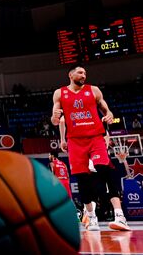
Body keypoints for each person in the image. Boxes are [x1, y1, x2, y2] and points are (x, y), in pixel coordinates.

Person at [51, 65, 130, 232]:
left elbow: (104, 108)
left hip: (95, 137)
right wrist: (54, 118)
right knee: (82, 179)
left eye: (85, 73)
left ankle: (119, 216)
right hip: (75, 141)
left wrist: (109, 114)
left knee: (105, 170)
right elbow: (55, 118)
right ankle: (91, 217)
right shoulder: (60, 93)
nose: (83, 75)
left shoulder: (93, 90)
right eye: (80, 72)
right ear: (70, 75)